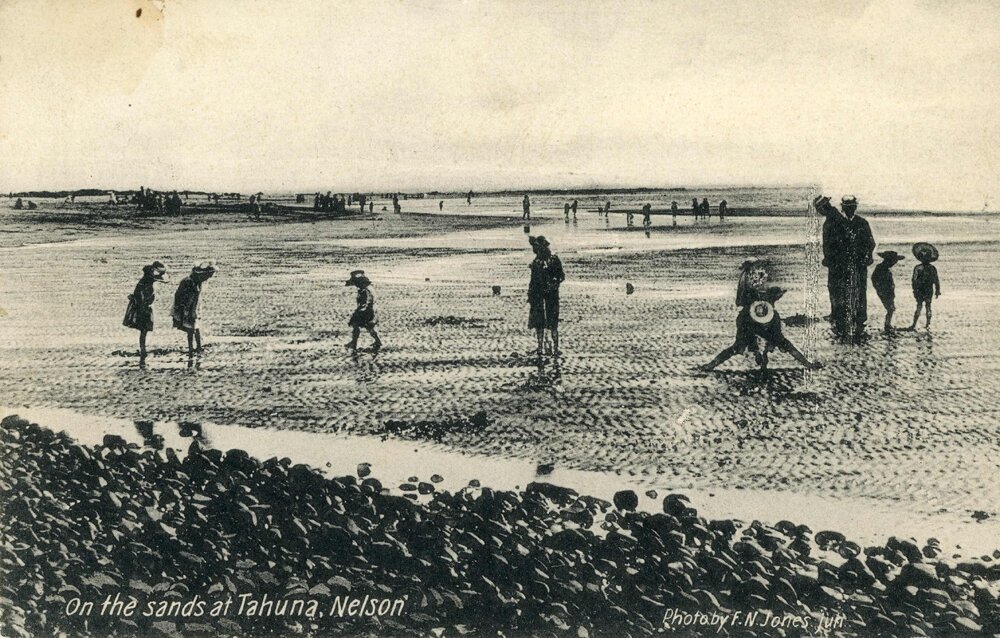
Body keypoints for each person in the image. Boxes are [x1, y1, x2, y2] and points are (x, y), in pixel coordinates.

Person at [700, 262, 821, 371]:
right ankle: (713, 365)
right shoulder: (754, 307)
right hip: (754, 321)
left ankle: (711, 365)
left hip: (755, 320)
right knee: (742, 346)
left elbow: (740, 299)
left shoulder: (766, 311)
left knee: (737, 348)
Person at [816, 195, 876, 338]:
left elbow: (871, 243)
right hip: (838, 265)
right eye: (848, 207)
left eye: (852, 207)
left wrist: (868, 256)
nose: (850, 209)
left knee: (859, 292)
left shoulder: (862, 223)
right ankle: (839, 320)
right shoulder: (831, 223)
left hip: (858, 264)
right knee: (837, 292)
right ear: (843, 207)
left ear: (855, 207)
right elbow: (827, 244)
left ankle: (859, 320)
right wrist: (830, 259)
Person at [527, 236, 565, 356]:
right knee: (548, 323)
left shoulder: (539, 262)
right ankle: (552, 348)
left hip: (544, 294)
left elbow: (561, 276)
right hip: (546, 294)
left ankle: (543, 348)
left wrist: (554, 283)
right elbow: (561, 276)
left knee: (544, 323)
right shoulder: (549, 260)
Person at [123, 262, 168, 360]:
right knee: (144, 330)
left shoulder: (143, 281)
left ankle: (143, 349)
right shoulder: (148, 280)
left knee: (143, 330)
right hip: (144, 308)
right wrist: (161, 273)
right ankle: (143, 350)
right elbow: (166, 280)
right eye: (152, 271)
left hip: (142, 307)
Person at [172, 262, 216, 355]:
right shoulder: (188, 282)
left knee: (196, 327)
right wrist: (183, 309)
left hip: (194, 307)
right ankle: (191, 348)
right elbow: (179, 296)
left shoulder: (198, 282)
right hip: (187, 307)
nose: (207, 278)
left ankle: (198, 346)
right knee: (191, 328)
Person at [345, 270, 382, 353]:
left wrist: (360, 310)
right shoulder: (368, 288)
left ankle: (354, 343)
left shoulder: (365, 290)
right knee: (368, 327)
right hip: (370, 310)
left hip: (366, 311)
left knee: (357, 325)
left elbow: (367, 301)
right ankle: (377, 341)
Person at [908, 242, 941, 330]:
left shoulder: (918, 268)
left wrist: (914, 290)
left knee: (919, 306)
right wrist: (938, 290)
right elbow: (936, 280)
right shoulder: (932, 268)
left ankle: (914, 324)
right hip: (928, 289)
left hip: (920, 290)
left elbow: (914, 280)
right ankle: (927, 324)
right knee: (928, 306)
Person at [871, 250, 904, 332]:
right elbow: (874, 279)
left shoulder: (883, 268)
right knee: (890, 308)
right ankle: (887, 324)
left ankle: (888, 324)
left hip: (888, 291)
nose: (894, 263)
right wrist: (878, 289)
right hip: (884, 291)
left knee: (891, 308)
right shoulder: (881, 268)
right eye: (894, 261)